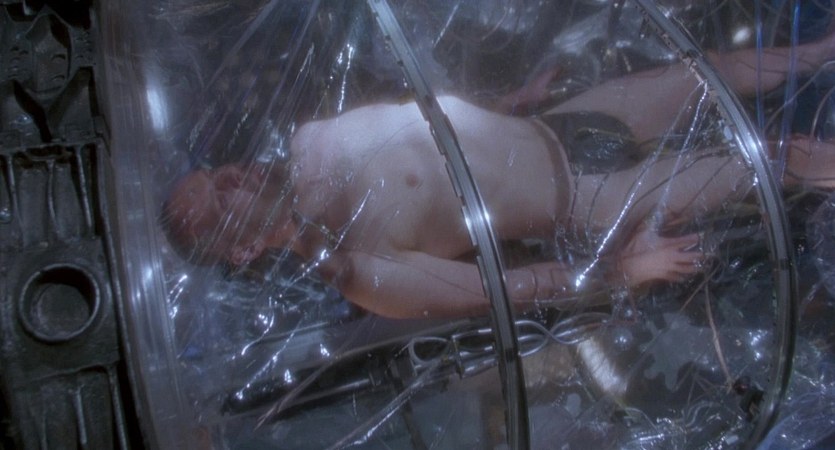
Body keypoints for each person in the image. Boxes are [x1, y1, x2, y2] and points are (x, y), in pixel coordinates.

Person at [163, 36, 835, 319]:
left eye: (217, 174)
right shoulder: (361, 269)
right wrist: (621, 273)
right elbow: (503, 292)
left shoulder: (312, 136)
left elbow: (427, 125)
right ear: (243, 250)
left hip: (563, 122)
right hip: (591, 197)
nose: (232, 179)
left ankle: (825, 46)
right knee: (779, 158)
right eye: (220, 202)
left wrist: (512, 102)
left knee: (707, 70)